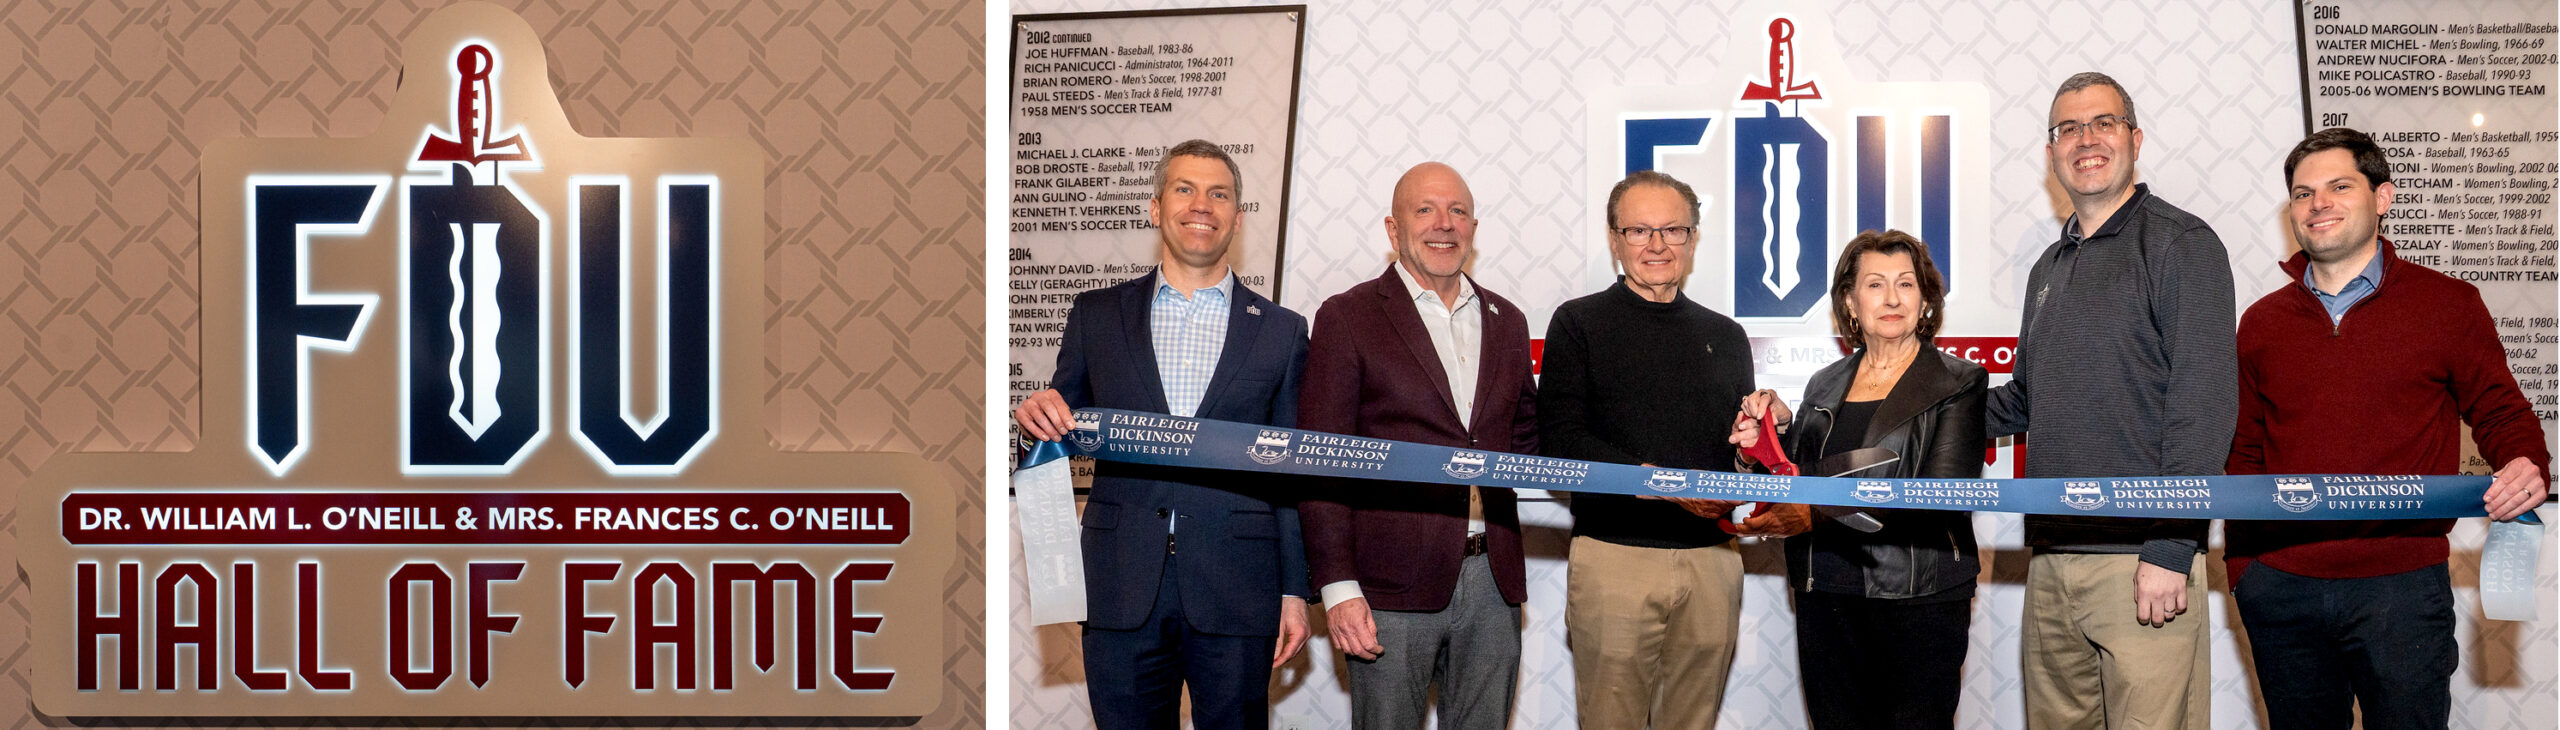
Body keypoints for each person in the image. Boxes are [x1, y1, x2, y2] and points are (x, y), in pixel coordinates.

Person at [2223, 126, 2550, 730]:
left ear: (2383, 197)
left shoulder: (2449, 304)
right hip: (2281, 589)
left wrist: (2527, 460)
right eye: (2302, 193)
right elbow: (2244, 451)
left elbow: (2501, 412)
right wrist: (2246, 572)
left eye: (2339, 186)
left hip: (2402, 589)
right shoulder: (2262, 322)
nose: (2317, 204)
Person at [1012, 140, 1311, 730]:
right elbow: (1058, 431)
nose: (1202, 204)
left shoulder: (1282, 330)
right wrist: (1036, 422)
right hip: (1120, 583)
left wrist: (1294, 591)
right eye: (1185, 189)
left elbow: (1291, 469)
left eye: (1219, 193)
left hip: (1239, 587)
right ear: (1155, 209)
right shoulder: (1095, 315)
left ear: (1237, 216)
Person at [1983, 71, 2236, 730]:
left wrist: (2169, 549)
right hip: (2052, 566)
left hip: (2141, 565)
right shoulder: (2048, 268)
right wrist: (1904, 407)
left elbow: (2203, 406)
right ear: (2050, 152)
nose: (2085, 140)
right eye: (2067, 128)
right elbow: (2023, 402)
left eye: (2103, 123)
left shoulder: (2182, 243)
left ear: (2135, 138)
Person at [1298, 161, 1539, 730]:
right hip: (1385, 586)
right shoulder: (1348, 316)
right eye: (1425, 209)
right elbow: (1320, 460)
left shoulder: (1507, 321)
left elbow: (1529, 442)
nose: (1443, 224)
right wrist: (1338, 587)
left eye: (1457, 211)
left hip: (1492, 581)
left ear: (1473, 228)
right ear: (1392, 228)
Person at [1726, 230, 1986, 730]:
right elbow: (1797, 479)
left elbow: (1937, 494)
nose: (1892, 298)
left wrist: (1812, 515)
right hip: (1825, 592)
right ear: (1850, 300)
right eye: (1875, 284)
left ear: (1926, 299)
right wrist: (1773, 435)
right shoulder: (1825, 382)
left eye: (1906, 284)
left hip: (1918, 596)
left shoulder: (1960, 382)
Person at [1538, 170, 1756, 729]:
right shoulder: (1577, 322)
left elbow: (1733, 456)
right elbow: (1562, 443)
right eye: (1639, 231)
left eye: (1673, 230)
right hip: (1615, 558)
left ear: (1693, 237)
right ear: (1614, 239)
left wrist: (1751, 450)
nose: (1657, 246)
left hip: (1713, 561)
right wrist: (1671, 488)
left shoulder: (1727, 335)